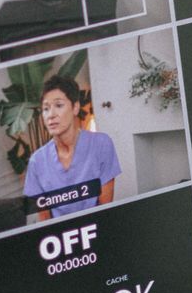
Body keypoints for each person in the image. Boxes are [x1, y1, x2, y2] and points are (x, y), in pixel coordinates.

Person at [23, 74, 121, 220]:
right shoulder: (37, 161)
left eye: (59, 105)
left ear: (75, 108)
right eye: (46, 108)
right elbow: (44, 220)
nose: (51, 115)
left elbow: (105, 210)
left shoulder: (101, 144)